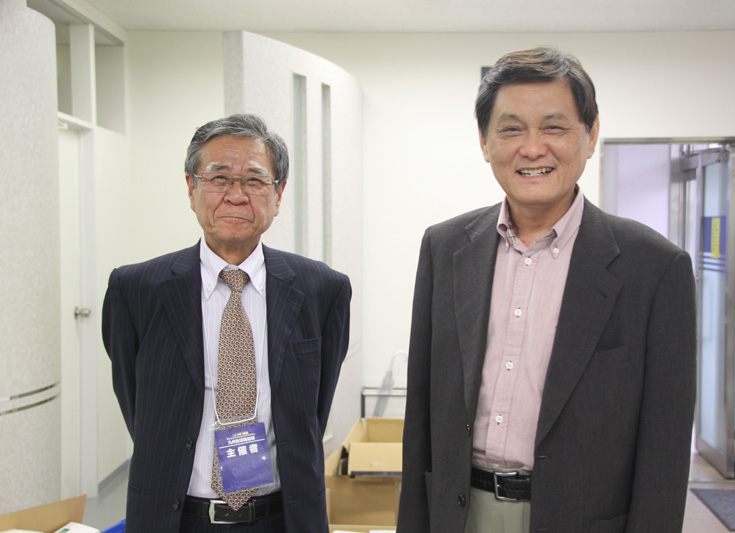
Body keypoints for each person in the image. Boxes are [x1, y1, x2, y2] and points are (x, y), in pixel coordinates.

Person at [397, 47, 696, 533]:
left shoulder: (656, 268)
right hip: (459, 513)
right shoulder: (444, 248)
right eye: (511, 129)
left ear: (591, 135)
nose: (533, 149)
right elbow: (422, 412)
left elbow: (665, 447)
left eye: (554, 127)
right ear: (484, 141)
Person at [102, 114, 351, 532]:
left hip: (283, 519)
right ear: (191, 188)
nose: (236, 195)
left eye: (254, 180)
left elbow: (314, 411)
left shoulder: (323, 290)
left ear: (279, 194)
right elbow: (136, 406)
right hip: (174, 519)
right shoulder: (136, 289)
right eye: (219, 178)